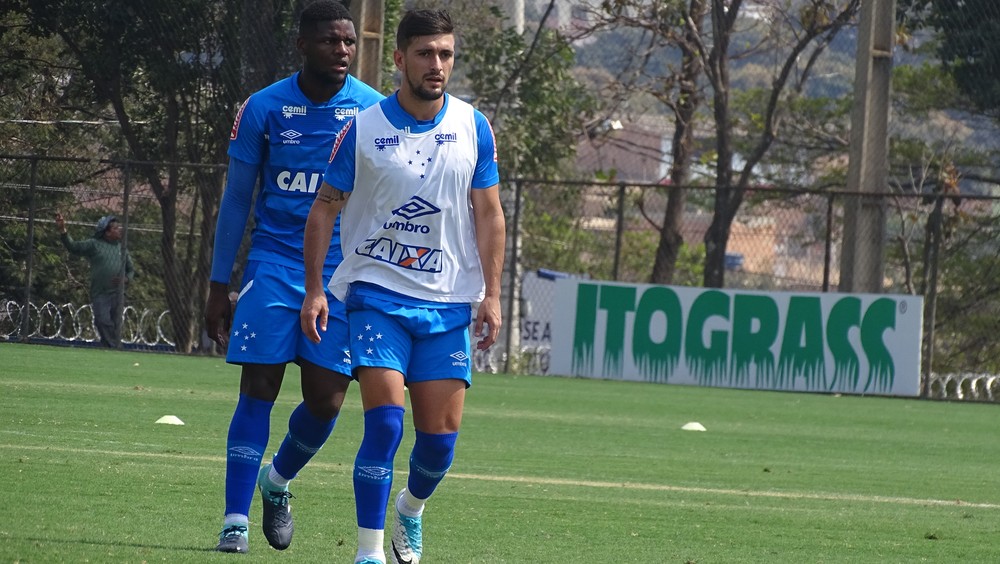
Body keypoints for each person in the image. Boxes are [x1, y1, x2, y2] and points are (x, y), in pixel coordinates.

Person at [300, 9, 506, 564]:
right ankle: (367, 553)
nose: (436, 65)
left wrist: (492, 294)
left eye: (445, 54)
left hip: (445, 302)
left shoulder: (473, 126)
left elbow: (489, 214)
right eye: (425, 54)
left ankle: (410, 510)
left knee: (438, 444)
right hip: (375, 295)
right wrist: (316, 288)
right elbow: (323, 210)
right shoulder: (364, 127)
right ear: (399, 59)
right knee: (386, 422)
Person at [203, 0, 383, 554]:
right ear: (302, 44)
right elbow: (236, 200)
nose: (344, 51)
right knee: (258, 387)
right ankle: (234, 520)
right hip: (273, 265)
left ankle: (276, 481)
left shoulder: (373, 111)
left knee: (327, 400)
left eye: (350, 42)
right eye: (332, 41)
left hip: (339, 273)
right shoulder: (263, 107)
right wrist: (217, 284)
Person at [55, 212, 135, 349]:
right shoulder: (94, 244)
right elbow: (73, 246)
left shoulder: (122, 249)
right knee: (102, 321)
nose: (119, 230)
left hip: (117, 292)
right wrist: (63, 230)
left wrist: (126, 279)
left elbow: (131, 270)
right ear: (107, 232)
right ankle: (115, 347)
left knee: (116, 323)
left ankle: (110, 347)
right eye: (115, 228)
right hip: (101, 293)